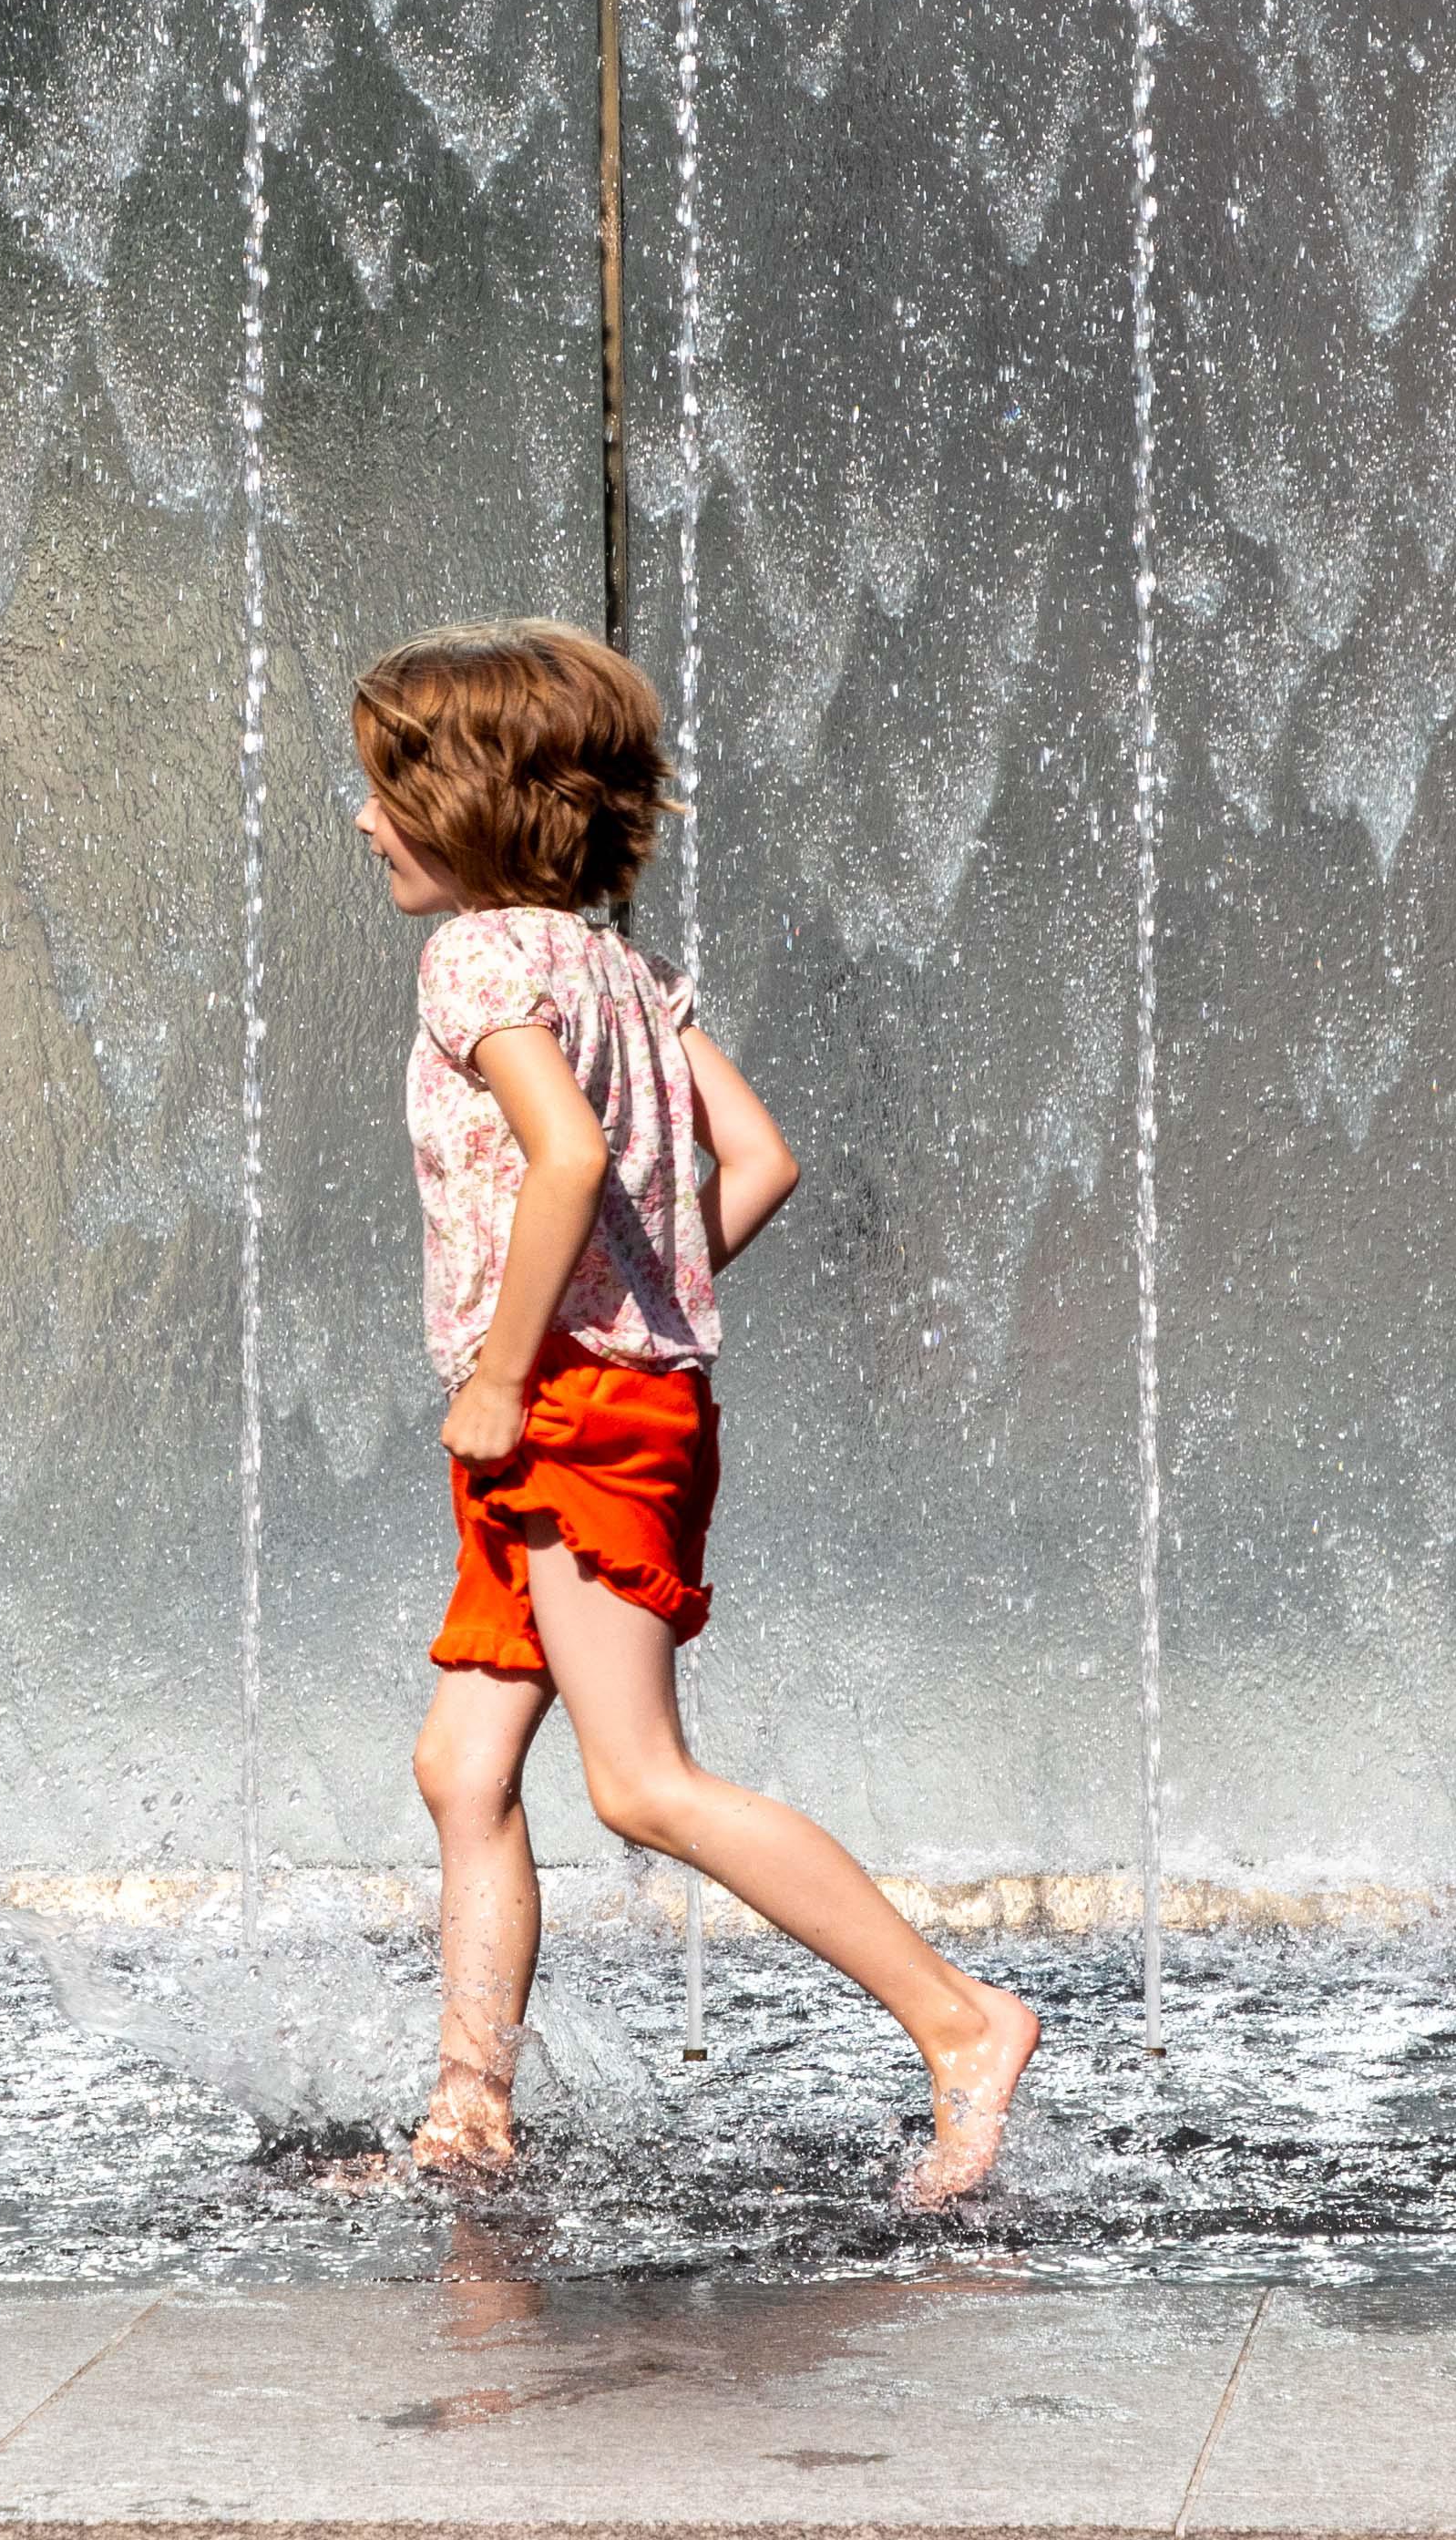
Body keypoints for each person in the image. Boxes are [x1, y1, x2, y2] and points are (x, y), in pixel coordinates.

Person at [343, 617, 1040, 2206]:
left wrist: (525, 1365)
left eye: (384, 787)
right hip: (615, 1390)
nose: (363, 820)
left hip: (564, 1409)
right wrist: (638, 1312)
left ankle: (963, 2022)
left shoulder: (474, 960)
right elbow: (762, 1160)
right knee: (463, 1765)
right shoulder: (615, 969)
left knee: (641, 1781)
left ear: (467, 802)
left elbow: (572, 1163)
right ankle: (467, 2121)